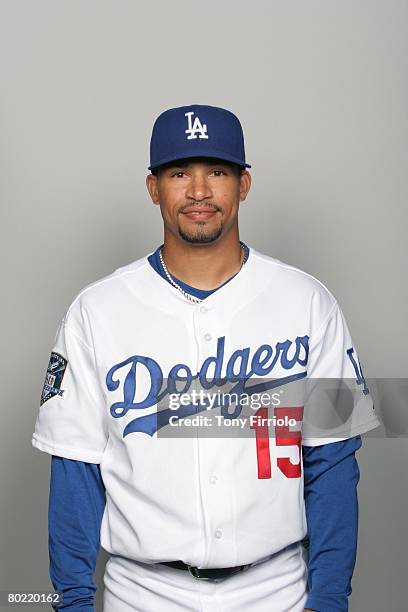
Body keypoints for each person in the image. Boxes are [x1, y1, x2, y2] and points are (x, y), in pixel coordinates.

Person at [32, 104, 381, 611]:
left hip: (279, 591)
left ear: (244, 184)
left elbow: (332, 460)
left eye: (217, 171)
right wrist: (72, 602)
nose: (199, 191)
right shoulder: (95, 311)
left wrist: (328, 600)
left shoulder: (309, 302)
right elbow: (75, 470)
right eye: (179, 173)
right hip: (142, 595)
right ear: (153, 187)